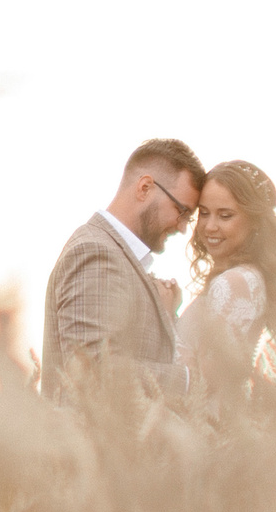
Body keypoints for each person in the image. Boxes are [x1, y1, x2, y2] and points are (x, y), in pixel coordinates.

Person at [41, 138, 205, 397]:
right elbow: (93, 371)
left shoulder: (114, 255)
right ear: (145, 187)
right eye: (181, 210)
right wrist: (187, 380)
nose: (183, 226)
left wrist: (165, 314)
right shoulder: (96, 252)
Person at [176, 159, 276, 387]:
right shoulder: (249, 277)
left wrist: (163, 313)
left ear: (255, 223)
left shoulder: (234, 282)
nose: (210, 226)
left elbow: (207, 382)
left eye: (225, 215)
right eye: (204, 213)